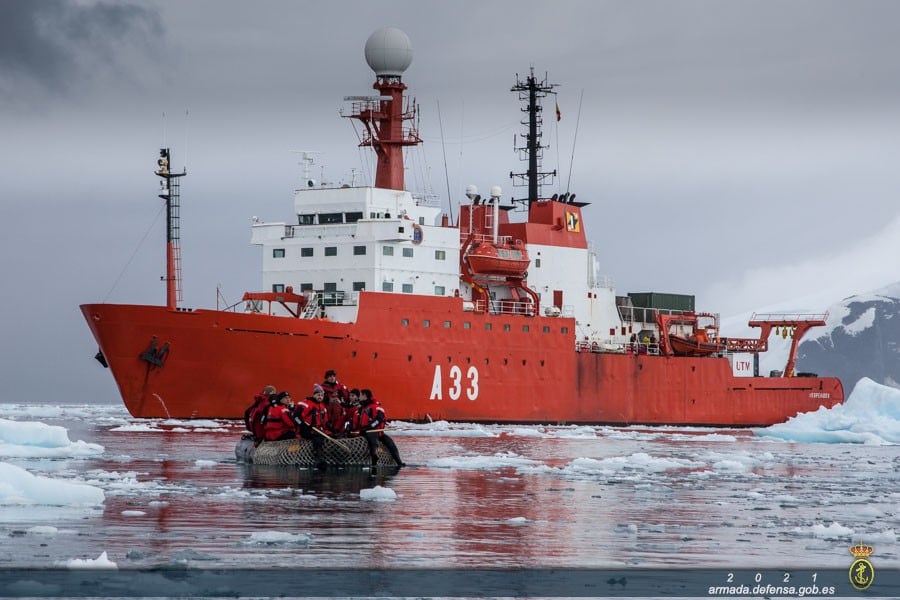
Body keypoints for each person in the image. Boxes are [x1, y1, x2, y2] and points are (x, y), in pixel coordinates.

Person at [357, 388, 404, 467]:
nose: (359, 397)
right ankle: (374, 456)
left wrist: (369, 427)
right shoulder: (362, 408)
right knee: (373, 439)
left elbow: (379, 418)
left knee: (390, 443)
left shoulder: (375, 407)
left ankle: (399, 462)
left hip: (375, 432)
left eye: (360, 395)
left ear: (365, 396)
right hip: (367, 432)